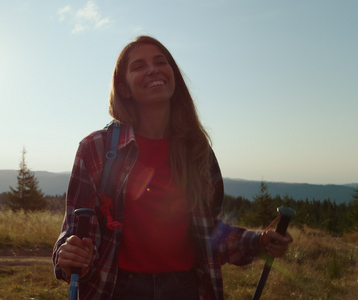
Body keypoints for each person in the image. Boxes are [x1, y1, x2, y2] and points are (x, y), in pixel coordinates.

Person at [52, 36, 292, 300]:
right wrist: (71, 255)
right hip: (117, 289)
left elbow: (209, 233)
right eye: (138, 66)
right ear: (124, 88)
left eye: (160, 62)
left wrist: (257, 242)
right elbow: (77, 231)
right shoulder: (96, 149)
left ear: (173, 76)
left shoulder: (198, 152)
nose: (153, 69)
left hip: (186, 289)